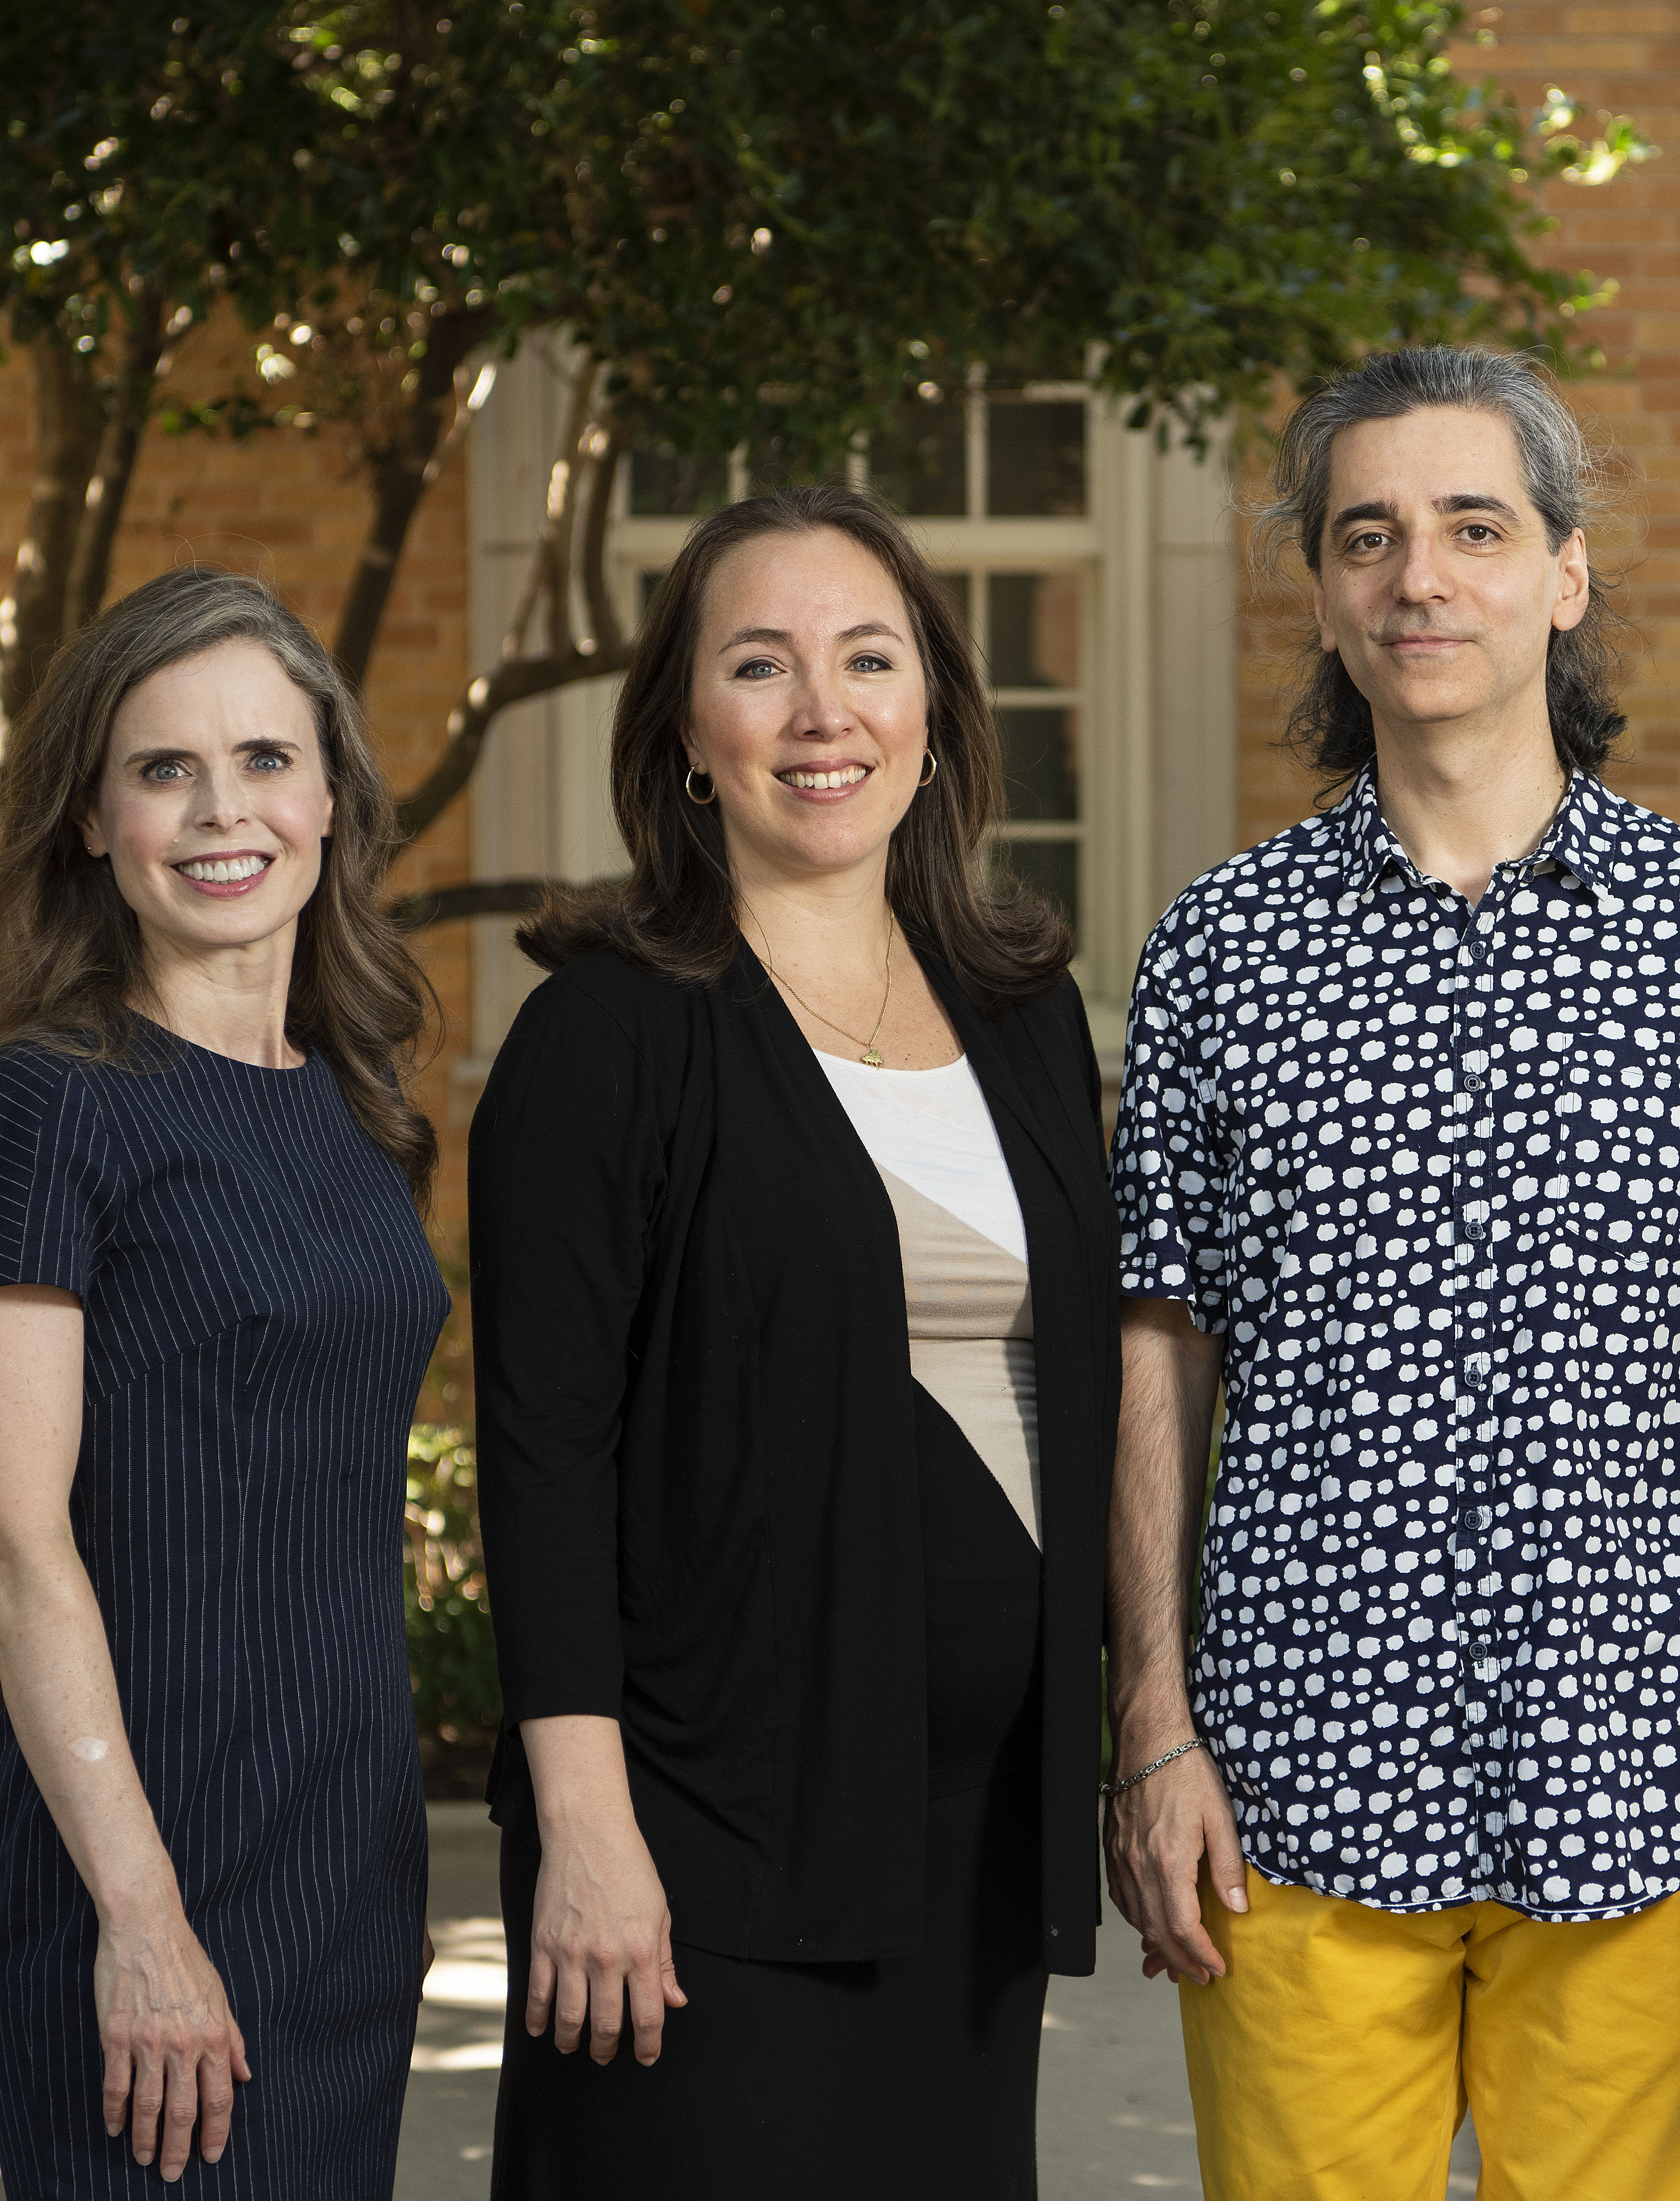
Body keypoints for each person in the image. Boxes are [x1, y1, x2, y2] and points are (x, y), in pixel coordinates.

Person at [1106, 346, 1680, 2198]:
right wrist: (1154, 1727)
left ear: (1564, 575)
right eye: (1369, 537)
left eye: (1473, 528)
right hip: (1287, 1773)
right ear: (1327, 592)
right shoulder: (1223, 946)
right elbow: (1156, 1355)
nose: (1420, 576)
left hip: (1650, 1763)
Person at [469, 483, 1116, 2197]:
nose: (824, 713)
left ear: (933, 715)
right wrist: (588, 1838)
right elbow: (543, 1463)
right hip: (704, 1861)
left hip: (968, 1861)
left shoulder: (1026, 1016)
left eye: (868, 659)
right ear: (689, 729)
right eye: (761, 666)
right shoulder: (605, 1039)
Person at [0, 566, 447, 2193]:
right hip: (143, 1866)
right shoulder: (41, 1110)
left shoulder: (357, 1111)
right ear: (90, 819)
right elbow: (13, 1543)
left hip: (348, 1858)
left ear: (333, 797)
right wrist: (142, 1921)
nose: (224, 812)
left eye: (265, 760)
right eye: (164, 769)